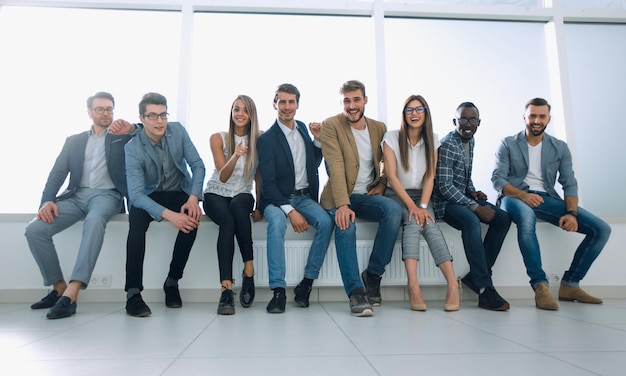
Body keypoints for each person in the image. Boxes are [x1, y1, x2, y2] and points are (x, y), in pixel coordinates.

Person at [25, 91, 137, 319]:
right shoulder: (74, 141)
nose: (106, 113)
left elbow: (148, 131)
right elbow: (57, 173)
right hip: (76, 196)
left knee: (95, 220)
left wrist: (132, 129)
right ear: (89, 112)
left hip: (107, 196)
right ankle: (58, 288)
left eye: (109, 109)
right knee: (35, 229)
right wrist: (46, 201)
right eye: (100, 109)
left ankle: (72, 293)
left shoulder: (122, 137)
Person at [492, 97, 611, 310]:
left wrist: (572, 213)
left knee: (601, 229)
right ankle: (540, 286)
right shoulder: (508, 143)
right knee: (526, 219)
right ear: (525, 117)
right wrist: (523, 195)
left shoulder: (559, 147)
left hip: (546, 199)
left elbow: (569, 183)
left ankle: (570, 284)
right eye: (532, 116)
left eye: (542, 116)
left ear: (548, 119)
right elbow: (498, 180)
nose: (537, 120)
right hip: (513, 198)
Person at [320, 80, 402, 317]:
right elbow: (334, 165)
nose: (352, 106)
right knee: (346, 226)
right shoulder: (331, 125)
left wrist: (382, 183)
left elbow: (387, 162)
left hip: (366, 195)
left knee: (393, 210)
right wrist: (342, 205)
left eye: (356, 99)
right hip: (339, 196)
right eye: (347, 101)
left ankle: (373, 275)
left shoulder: (378, 127)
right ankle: (356, 292)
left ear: (365, 100)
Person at [124, 92, 205, 317]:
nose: (160, 121)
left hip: (178, 190)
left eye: (163, 115)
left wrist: (192, 199)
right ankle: (133, 294)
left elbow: (198, 166)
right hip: (148, 195)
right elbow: (137, 195)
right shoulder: (133, 148)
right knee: (136, 225)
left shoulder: (178, 131)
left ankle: (172, 282)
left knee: (192, 219)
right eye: (153, 116)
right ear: (142, 118)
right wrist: (171, 216)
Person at [257, 83, 333, 314]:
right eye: (282, 102)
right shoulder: (267, 140)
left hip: (304, 197)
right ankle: (278, 291)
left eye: (291, 102)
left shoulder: (301, 128)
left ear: (298, 104)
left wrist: (318, 140)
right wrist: (291, 210)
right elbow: (268, 186)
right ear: (275, 104)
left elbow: (312, 163)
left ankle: (306, 284)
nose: (287, 107)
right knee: (278, 223)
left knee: (326, 222)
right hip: (276, 200)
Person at [382, 95, 460, 312]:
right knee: (413, 222)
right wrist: (413, 207)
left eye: (419, 109)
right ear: (403, 114)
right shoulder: (391, 137)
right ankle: (413, 287)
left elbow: (430, 177)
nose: (414, 114)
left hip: (423, 197)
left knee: (431, 226)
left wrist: (423, 206)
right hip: (397, 195)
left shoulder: (433, 139)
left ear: (426, 113)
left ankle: (453, 285)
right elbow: (391, 176)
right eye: (409, 110)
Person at [433, 101, 512, 311]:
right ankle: (485, 288)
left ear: (478, 122)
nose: (468, 124)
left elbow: (463, 176)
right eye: (463, 119)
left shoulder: (471, 140)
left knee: (503, 219)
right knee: (471, 220)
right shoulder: (448, 144)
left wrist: (473, 191)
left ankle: (475, 277)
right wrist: (474, 206)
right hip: (445, 202)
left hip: (462, 197)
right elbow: (444, 186)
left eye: (472, 119)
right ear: (455, 121)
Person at [203, 95, 262, 315]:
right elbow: (224, 176)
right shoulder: (218, 138)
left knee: (239, 208)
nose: (239, 114)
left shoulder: (259, 140)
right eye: (236, 109)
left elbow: (258, 177)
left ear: (251, 115)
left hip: (243, 193)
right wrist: (236, 155)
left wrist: (260, 205)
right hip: (216, 193)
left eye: (245, 110)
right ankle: (226, 289)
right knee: (227, 222)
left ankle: (249, 269)